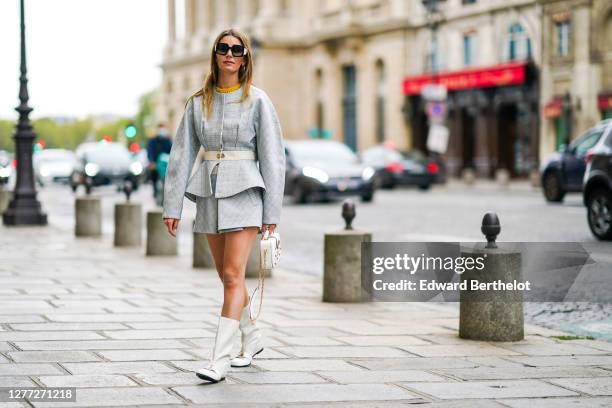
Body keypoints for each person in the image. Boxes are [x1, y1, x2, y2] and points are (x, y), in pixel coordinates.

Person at [161, 28, 286, 383]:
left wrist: (271, 215)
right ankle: (252, 337)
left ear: (246, 57)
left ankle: (220, 359)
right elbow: (181, 156)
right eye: (223, 48)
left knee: (233, 275)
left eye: (237, 49)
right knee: (225, 276)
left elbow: (274, 159)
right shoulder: (198, 101)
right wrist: (172, 206)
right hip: (209, 193)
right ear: (215, 54)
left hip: (246, 191)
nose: (230, 54)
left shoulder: (258, 100)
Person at [147, 124, 173, 198]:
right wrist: (151, 161)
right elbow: (150, 151)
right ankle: (155, 192)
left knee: (165, 180)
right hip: (155, 164)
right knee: (154, 178)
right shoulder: (153, 141)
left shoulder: (167, 140)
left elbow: (172, 151)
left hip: (164, 165)